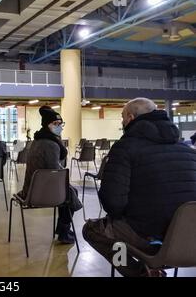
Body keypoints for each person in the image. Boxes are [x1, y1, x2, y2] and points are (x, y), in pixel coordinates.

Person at [83, 98, 196, 277]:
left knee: (92, 230)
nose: (122, 122)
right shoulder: (188, 151)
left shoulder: (124, 148)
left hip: (147, 234)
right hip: (189, 237)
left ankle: (140, 273)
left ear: (130, 117)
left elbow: (113, 203)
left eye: (122, 117)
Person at [17, 106, 79, 244]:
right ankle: (63, 231)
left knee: (70, 192)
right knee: (71, 194)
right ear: (47, 125)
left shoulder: (36, 141)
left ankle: (63, 230)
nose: (59, 127)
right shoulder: (51, 144)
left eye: (60, 124)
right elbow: (55, 174)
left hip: (32, 190)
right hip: (41, 193)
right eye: (55, 124)